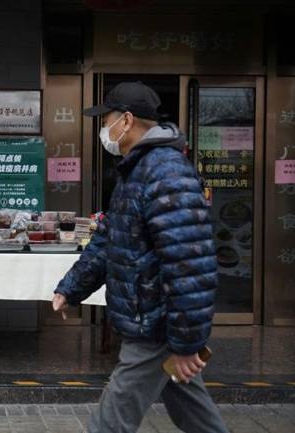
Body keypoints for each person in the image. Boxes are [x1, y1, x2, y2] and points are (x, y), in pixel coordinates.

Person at [52, 82, 229, 433]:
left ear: (127, 120)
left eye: (108, 120)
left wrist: (185, 343)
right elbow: (110, 239)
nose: (104, 129)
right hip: (153, 319)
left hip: (154, 324)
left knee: (110, 422)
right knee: (195, 413)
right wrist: (72, 287)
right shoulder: (137, 170)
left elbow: (189, 268)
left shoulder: (165, 172)